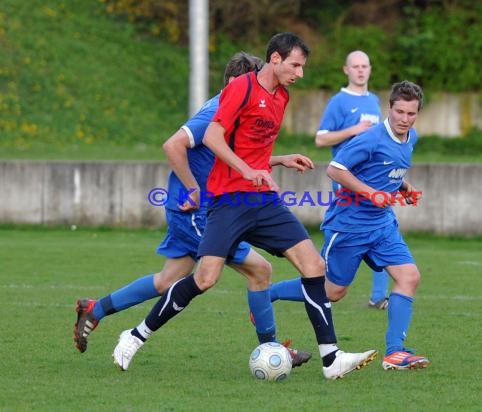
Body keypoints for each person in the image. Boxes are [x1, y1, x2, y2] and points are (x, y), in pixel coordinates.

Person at [111, 32, 377, 380]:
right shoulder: (241, 87)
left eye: (302, 67)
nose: (300, 73)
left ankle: (331, 359)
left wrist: (275, 164)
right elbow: (212, 137)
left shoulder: (281, 97)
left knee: (313, 266)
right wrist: (246, 170)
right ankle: (134, 336)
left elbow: (256, 149)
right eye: (295, 65)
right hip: (227, 200)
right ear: (276, 59)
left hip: (262, 199)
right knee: (205, 278)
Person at [73, 51, 311, 368]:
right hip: (198, 210)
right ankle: (272, 349)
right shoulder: (216, 109)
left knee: (167, 280)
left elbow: (229, 157)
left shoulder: (236, 109)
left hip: (197, 208)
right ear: (239, 82)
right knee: (259, 270)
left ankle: (95, 309)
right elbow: (173, 145)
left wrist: (279, 159)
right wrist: (193, 188)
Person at [263, 80, 430, 370]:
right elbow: (335, 169)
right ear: (388, 108)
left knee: (409, 277)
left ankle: (395, 352)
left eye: (411, 114)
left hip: (382, 225)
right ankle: (269, 294)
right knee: (332, 292)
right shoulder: (371, 138)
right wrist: (371, 194)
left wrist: (402, 185)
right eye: (399, 112)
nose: (404, 119)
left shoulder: (411, 137)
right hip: (349, 226)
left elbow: (386, 168)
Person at [315, 50, 391, 309]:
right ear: (346, 70)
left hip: (372, 181)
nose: (360, 70)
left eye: (365, 66)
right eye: (355, 66)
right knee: (341, 234)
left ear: (370, 69)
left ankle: (379, 296)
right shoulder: (339, 102)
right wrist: (353, 130)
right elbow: (321, 138)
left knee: (382, 228)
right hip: (346, 181)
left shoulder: (374, 100)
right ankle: (316, 276)